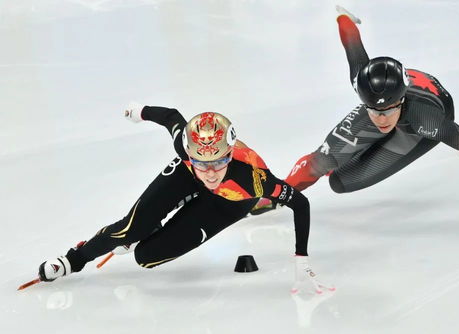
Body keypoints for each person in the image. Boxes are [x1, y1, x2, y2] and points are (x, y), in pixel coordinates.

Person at [33, 104, 333, 293]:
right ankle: (75, 258)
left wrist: (300, 257)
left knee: (145, 259)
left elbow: (299, 203)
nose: (211, 171)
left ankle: (146, 235)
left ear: (230, 153)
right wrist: (140, 112)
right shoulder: (186, 148)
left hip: (231, 200)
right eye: (202, 161)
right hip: (184, 177)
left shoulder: (253, 179)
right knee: (129, 228)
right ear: (189, 153)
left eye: (219, 160)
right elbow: (172, 118)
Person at [252, 6, 459, 234]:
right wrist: (343, 17)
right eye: (372, 109)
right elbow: (352, 43)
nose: (381, 119)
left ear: (400, 102)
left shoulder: (427, 121)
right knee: (325, 162)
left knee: (341, 181)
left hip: (420, 124)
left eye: (388, 111)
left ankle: (377, 133)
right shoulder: (362, 80)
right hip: (396, 101)